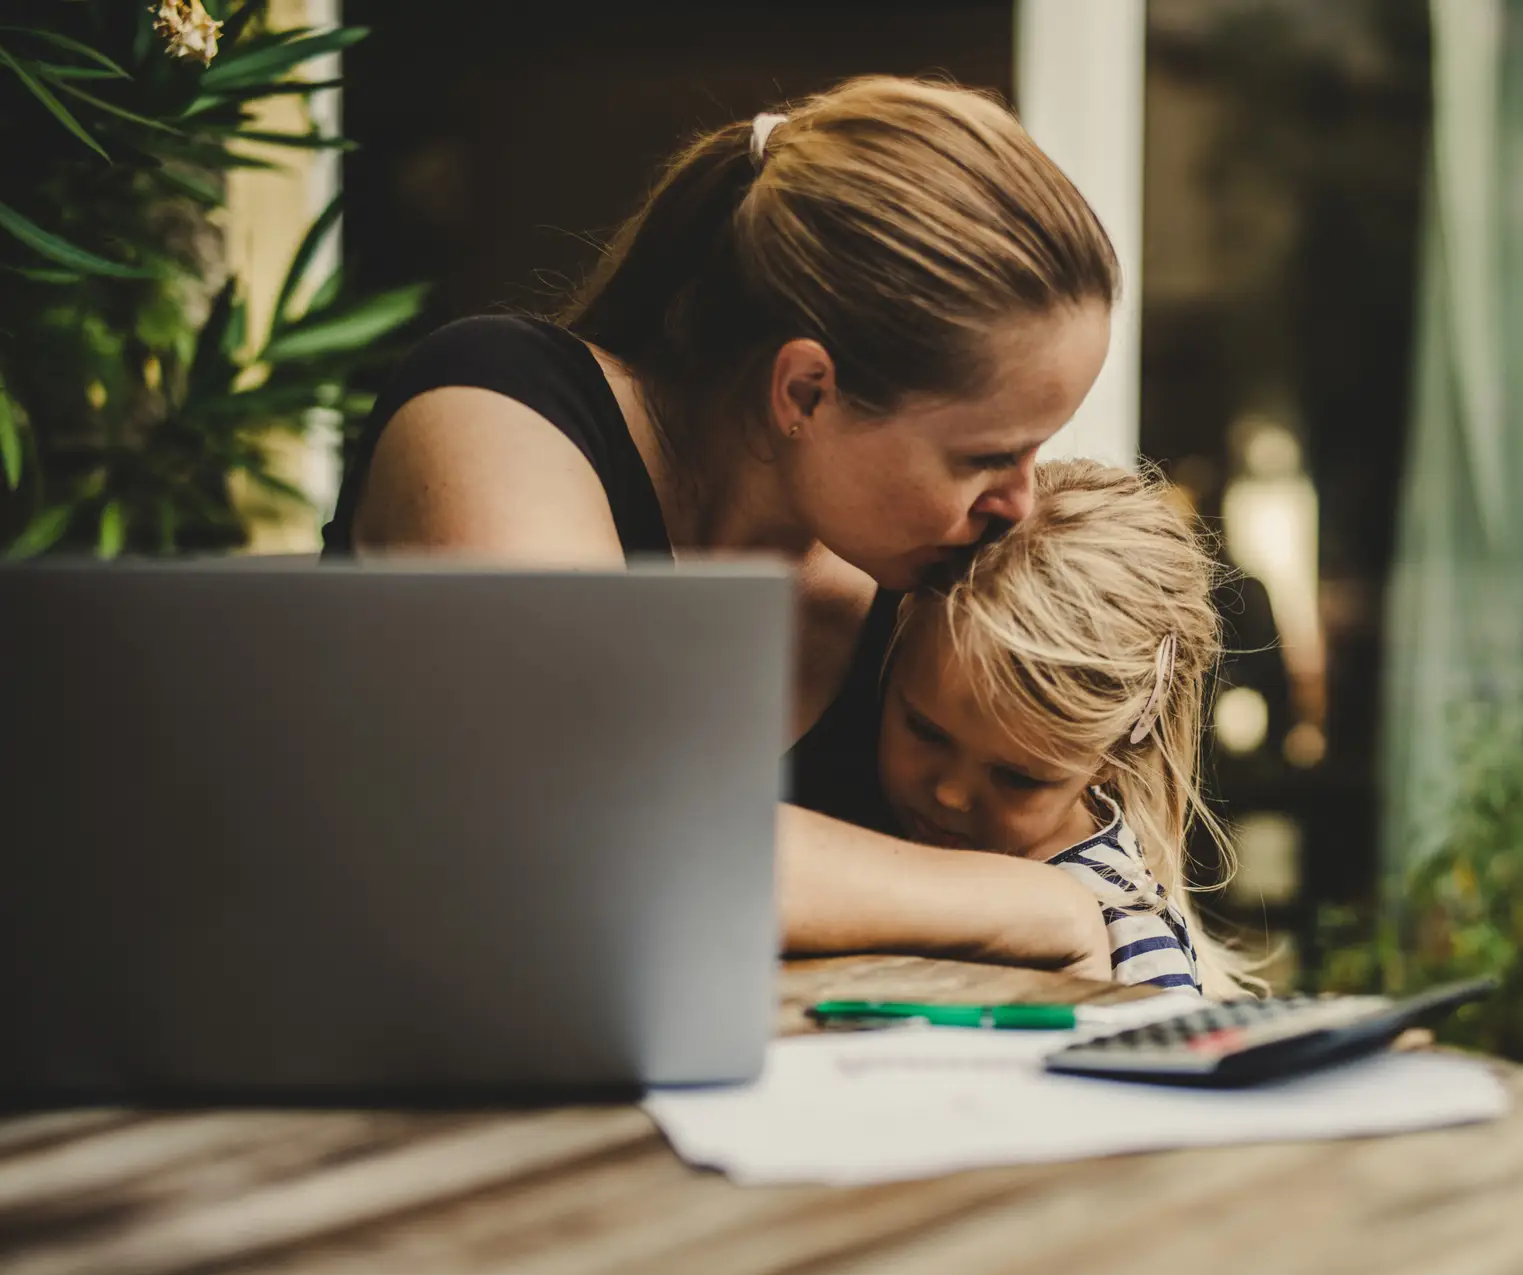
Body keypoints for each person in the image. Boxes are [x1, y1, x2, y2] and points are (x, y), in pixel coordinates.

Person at [322, 77, 1123, 977]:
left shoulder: (921, 583)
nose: (1018, 501)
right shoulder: (499, 418)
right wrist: (1037, 904)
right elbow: (588, 847)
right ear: (806, 390)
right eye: (983, 456)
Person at [877, 459, 1241, 994]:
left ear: (1113, 753)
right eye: (926, 732)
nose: (951, 794)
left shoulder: (1131, 947)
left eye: (1017, 778)